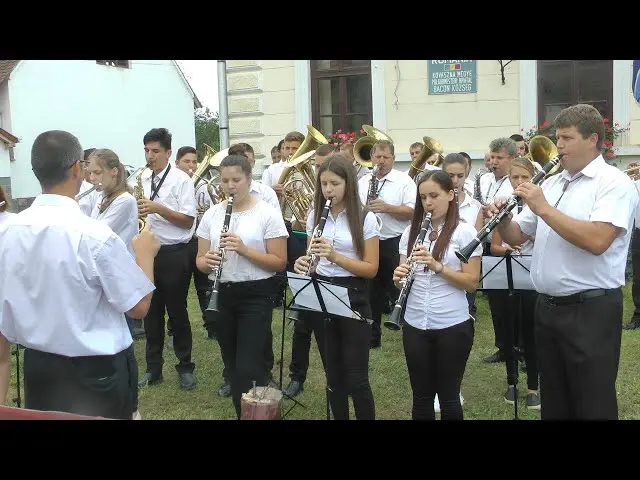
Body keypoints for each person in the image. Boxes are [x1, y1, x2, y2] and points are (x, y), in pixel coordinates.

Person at [489, 103, 639, 419]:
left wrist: (543, 208)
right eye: (558, 138)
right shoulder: (553, 183)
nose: (558, 146)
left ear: (593, 140)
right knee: (555, 400)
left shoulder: (614, 183)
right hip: (548, 308)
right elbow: (517, 236)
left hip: (590, 311)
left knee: (592, 402)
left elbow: (598, 240)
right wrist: (500, 220)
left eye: (567, 138)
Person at [0, 130, 158, 419]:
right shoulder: (95, 235)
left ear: (36, 171)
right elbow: (139, 307)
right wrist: (145, 255)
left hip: (38, 366)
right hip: (96, 372)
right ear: (77, 169)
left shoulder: (7, 231)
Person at [195, 154, 288, 418]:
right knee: (233, 365)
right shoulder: (213, 214)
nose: (230, 185)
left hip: (255, 294)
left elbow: (279, 261)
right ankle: (245, 413)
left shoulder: (266, 213)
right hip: (221, 293)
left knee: (249, 366)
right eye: (225, 180)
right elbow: (199, 261)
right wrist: (207, 261)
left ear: (249, 179)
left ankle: (260, 412)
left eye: (236, 179)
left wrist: (245, 250)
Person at [294, 153, 379, 420]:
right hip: (322, 292)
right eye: (324, 184)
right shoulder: (315, 215)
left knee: (356, 376)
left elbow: (371, 268)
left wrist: (335, 256)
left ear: (349, 184)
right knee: (333, 374)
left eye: (335, 184)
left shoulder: (365, 218)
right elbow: (314, 258)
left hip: (354, 295)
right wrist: (305, 264)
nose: (328, 190)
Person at [393, 170, 481, 420]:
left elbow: (472, 282)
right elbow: (404, 283)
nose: (428, 203)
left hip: (451, 324)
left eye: (434, 195)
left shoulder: (464, 233)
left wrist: (437, 266)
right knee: (421, 398)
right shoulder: (411, 232)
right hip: (415, 322)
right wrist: (398, 278)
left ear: (451, 195)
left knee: (449, 397)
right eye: (423, 198)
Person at [137, 128, 198, 391]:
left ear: (168, 153)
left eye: (155, 151)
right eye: (146, 151)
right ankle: (153, 369)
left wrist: (158, 208)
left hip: (175, 252)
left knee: (177, 312)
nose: (150, 156)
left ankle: (185, 367)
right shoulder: (144, 176)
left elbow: (187, 222)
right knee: (151, 314)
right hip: (150, 251)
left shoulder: (182, 180)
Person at [86, 148, 145, 419]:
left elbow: (95, 232)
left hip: (121, 272)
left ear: (113, 171)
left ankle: (128, 397)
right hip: (103, 272)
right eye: (89, 172)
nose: (93, 178)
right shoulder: (99, 196)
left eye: (97, 172)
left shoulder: (124, 200)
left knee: (124, 332)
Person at [489, 157, 540, 410]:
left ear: (532, 176)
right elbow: (495, 244)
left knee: (531, 333)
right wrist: (506, 250)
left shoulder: (540, 203)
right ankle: (511, 382)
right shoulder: (505, 204)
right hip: (508, 274)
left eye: (524, 177)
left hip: (532, 276)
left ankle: (533, 386)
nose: (519, 182)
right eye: (514, 178)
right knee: (508, 332)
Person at [357, 139, 417, 348]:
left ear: (393, 158)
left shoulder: (404, 181)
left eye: (386, 157)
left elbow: (412, 211)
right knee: (370, 291)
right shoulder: (363, 181)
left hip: (394, 241)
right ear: (371, 158)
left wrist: (387, 207)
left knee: (398, 288)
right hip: (369, 241)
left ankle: (411, 330)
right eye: (377, 157)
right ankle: (372, 337)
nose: (381, 161)